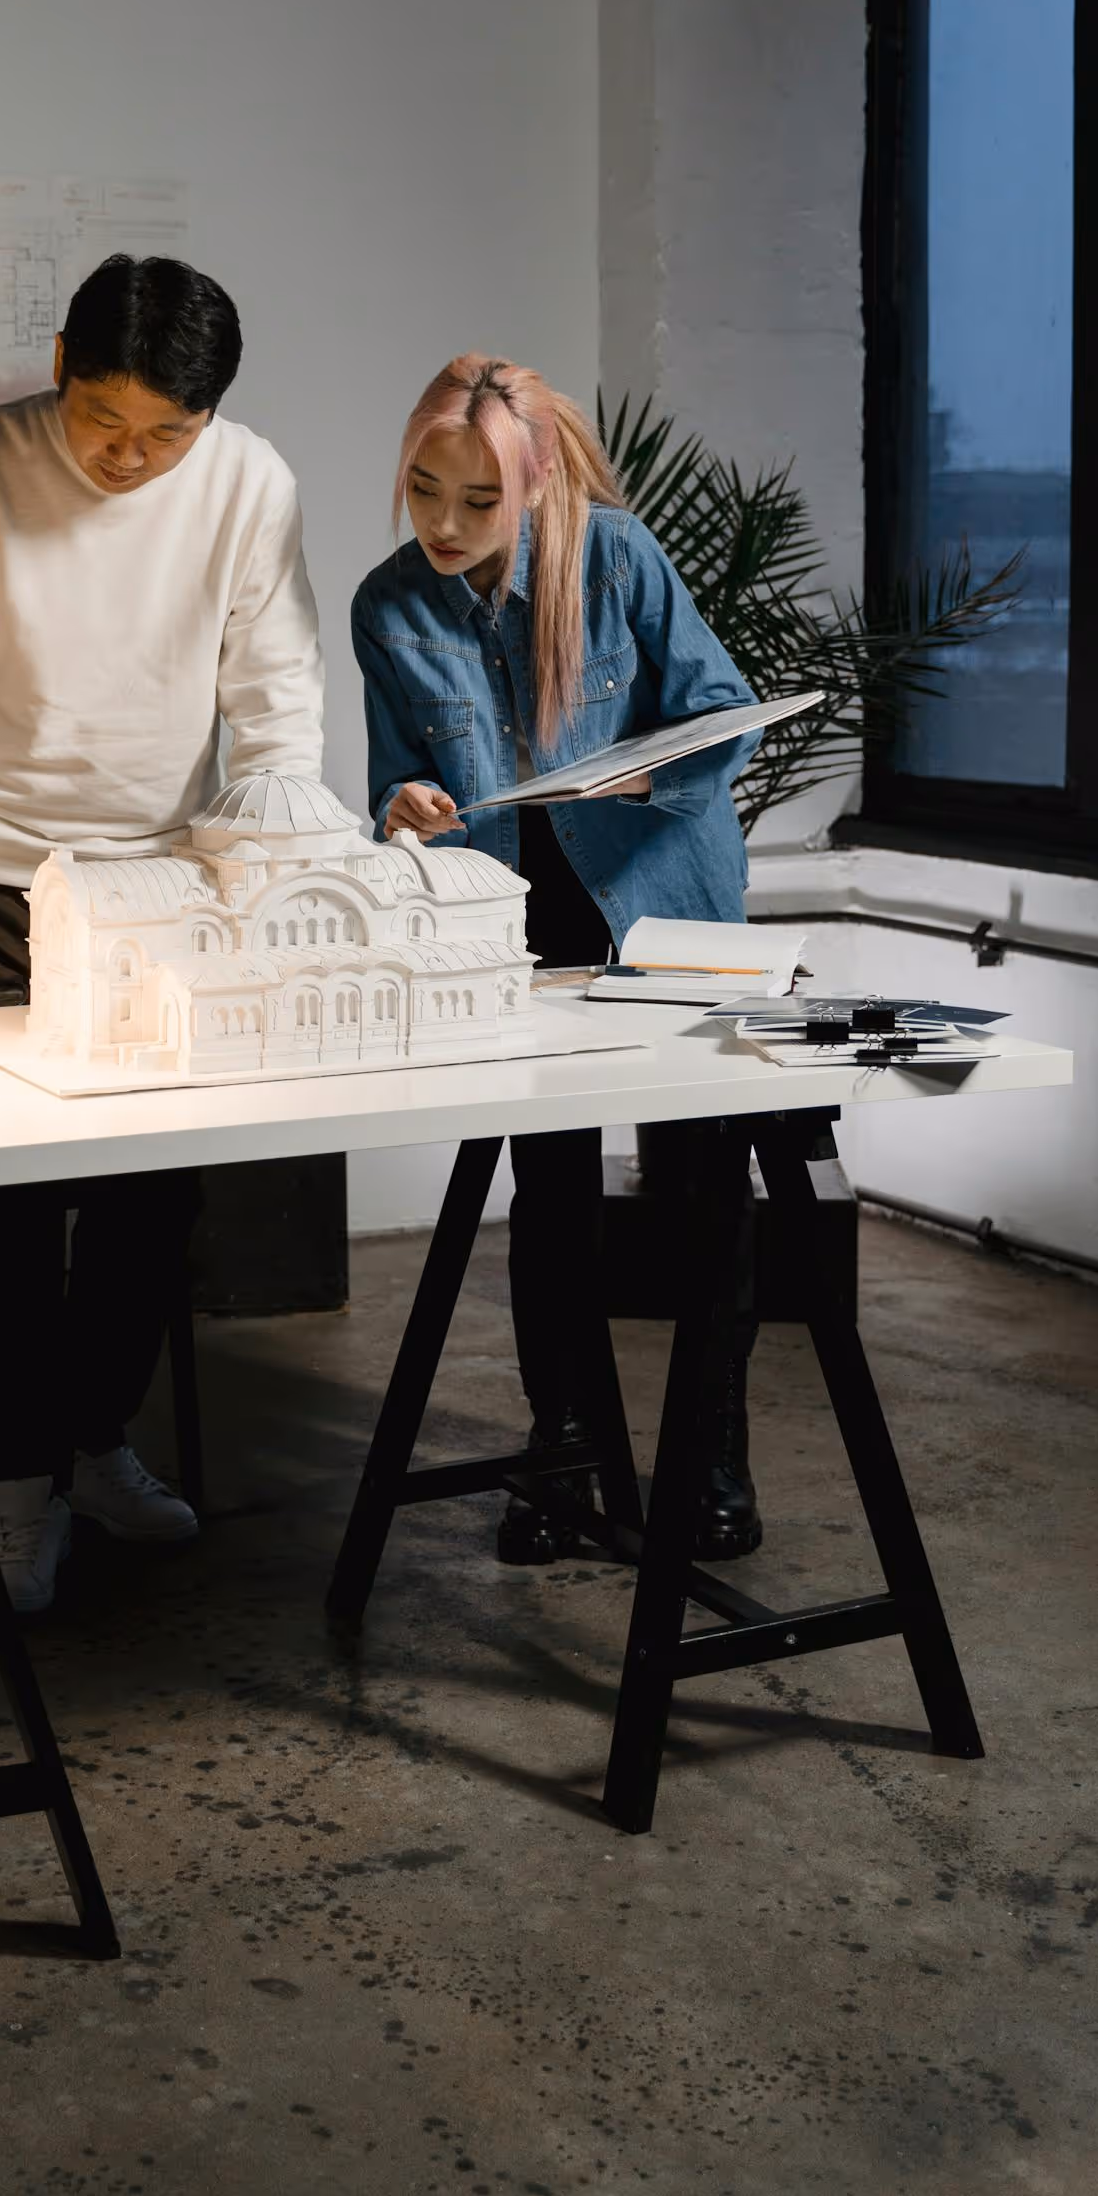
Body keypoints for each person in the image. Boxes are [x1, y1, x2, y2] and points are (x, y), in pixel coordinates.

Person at [0, 254, 324, 1612]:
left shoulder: (248, 484)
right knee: (2, 1204)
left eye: (165, 436)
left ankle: (94, 1442)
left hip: (167, 876)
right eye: (105, 423)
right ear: (60, 362)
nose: (130, 459)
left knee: (152, 1194)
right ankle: (15, 1483)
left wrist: (278, 862)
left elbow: (278, 692)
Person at [352, 354, 765, 1564]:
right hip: (518, 930)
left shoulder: (617, 559)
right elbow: (393, 777)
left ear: (533, 488)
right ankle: (569, 1454)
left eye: (477, 502)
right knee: (553, 1197)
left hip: (662, 905)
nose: (441, 523)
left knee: (703, 1191)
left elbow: (721, 705)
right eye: (424, 488)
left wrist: (648, 770)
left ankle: (712, 1462)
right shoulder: (391, 605)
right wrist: (406, 802)